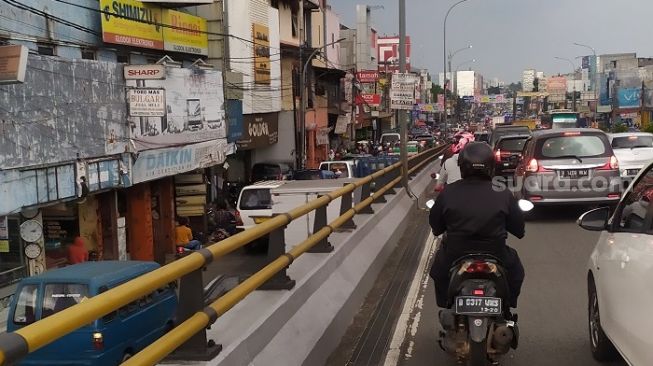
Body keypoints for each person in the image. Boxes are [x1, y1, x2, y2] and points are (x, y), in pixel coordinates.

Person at [429, 142, 525, 310]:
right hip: (496, 253)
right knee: (516, 272)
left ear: (462, 167)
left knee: (438, 272)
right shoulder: (502, 192)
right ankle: (507, 306)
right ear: (491, 166)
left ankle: (447, 305)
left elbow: (436, 226)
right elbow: (518, 228)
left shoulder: (449, 192)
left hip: (455, 252)